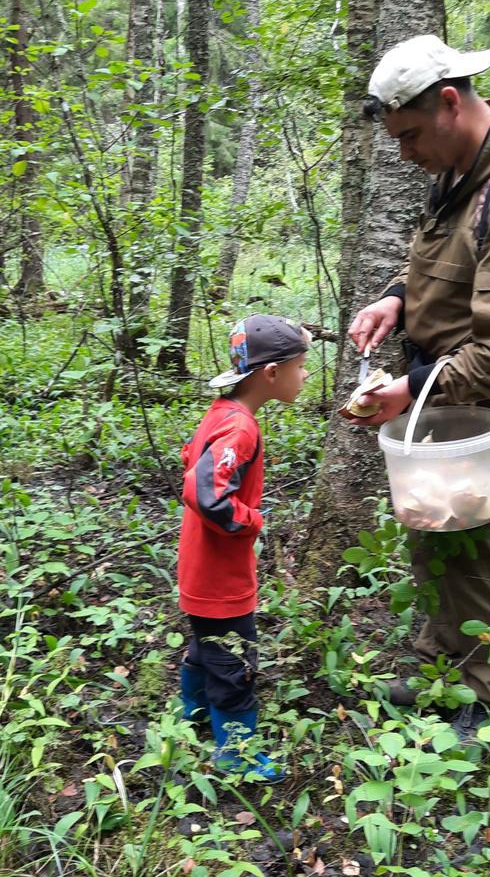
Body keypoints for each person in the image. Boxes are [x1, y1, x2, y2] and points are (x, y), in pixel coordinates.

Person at [348, 34, 490, 740]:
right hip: (447, 393)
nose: (404, 153)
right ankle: (439, 670)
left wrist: (411, 389)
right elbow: (446, 260)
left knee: (483, 545)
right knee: (436, 532)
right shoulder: (459, 171)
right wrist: (396, 298)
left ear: (450, 102)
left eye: (410, 135)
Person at [177, 313, 311, 780]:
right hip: (220, 577)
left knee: (208, 646)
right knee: (234, 661)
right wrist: (252, 520)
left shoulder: (223, 412)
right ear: (271, 373)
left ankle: (193, 711)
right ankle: (236, 754)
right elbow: (206, 494)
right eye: (301, 366)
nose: (305, 375)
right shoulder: (241, 428)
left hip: (200, 568)